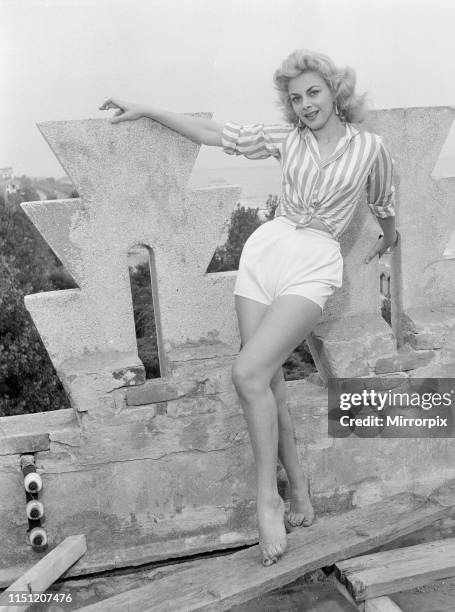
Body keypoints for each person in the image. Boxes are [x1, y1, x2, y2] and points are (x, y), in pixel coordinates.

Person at [100, 49, 398, 566]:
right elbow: (215, 133)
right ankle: (299, 485)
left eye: (314, 92)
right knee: (269, 382)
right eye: (296, 97)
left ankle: (268, 499)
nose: (306, 105)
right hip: (264, 254)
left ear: (335, 91)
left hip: (315, 263)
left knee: (247, 372)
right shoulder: (286, 140)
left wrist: (388, 240)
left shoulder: (371, 148)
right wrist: (146, 108)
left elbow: (385, 203)